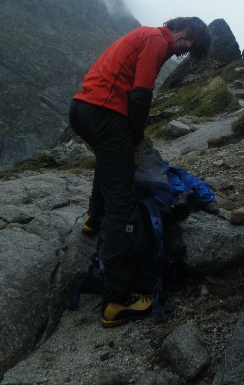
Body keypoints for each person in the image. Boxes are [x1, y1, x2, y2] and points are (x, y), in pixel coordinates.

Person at [69, 17, 211, 327]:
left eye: (191, 48)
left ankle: (93, 219)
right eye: (189, 40)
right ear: (181, 28)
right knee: (124, 209)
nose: (185, 48)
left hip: (84, 110)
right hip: (105, 113)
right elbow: (141, 93)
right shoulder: (157, 41)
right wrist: (135, 142)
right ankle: (116, 301)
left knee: (111, 164)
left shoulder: (144, 35)